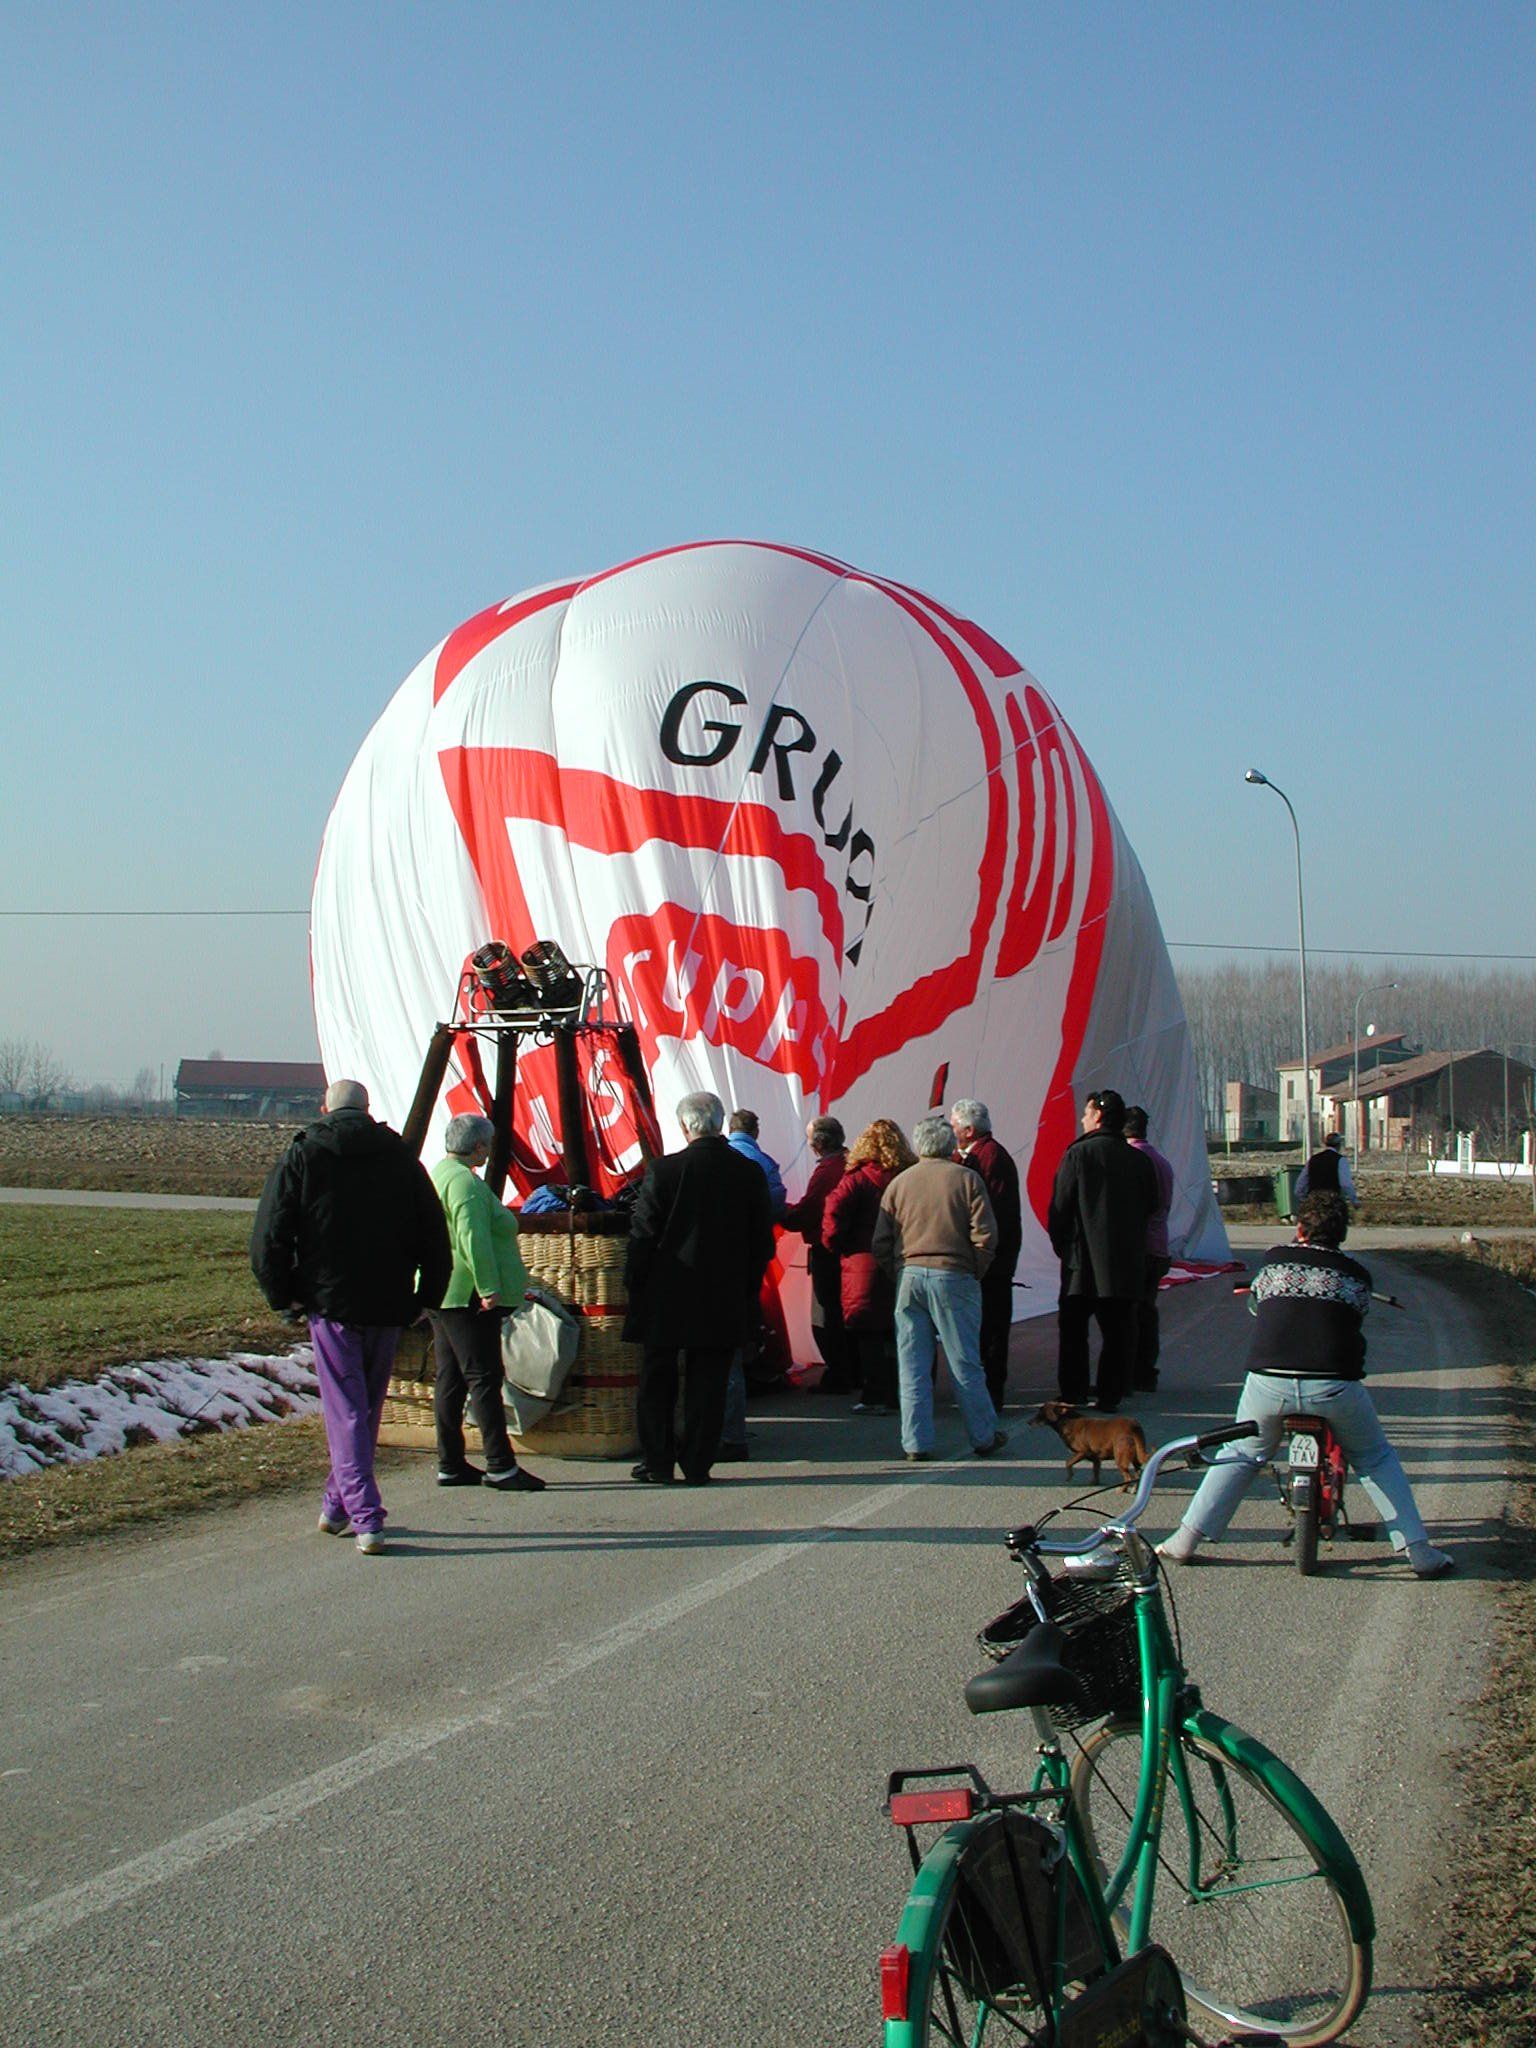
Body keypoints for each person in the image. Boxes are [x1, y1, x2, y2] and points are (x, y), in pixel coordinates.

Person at [1158, 1192, 1453, 1577]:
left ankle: (1185, 1539)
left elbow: (1258, 1304)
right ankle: (1418, 1550)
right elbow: (1355, 1316)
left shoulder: (1276, 1260)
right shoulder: (1356, 1275)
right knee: (1375, 1458)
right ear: (1342, 1234)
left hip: (1269, 1383)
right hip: (1334, 1385)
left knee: (1243, 1453)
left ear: (1299, 1228)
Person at [250, 1078, 451, 1554]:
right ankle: (337, 1505)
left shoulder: (304, 1154)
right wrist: (429, 1294)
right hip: (389, 1298)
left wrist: (283, 1295)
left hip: (331, 1300)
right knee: (364, 1409)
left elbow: (270, 1233)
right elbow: (433, 1230)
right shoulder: (401, 1157)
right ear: (368, 1109)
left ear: (324, 1107)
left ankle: (365, 1515)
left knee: (346, 1411)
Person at [624, 1092, 776, 1485]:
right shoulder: (748, 1173)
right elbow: (762, 1242)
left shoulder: (664, 1171)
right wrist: (747, 1289)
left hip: (666, 1293)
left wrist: (634, 1287)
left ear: (684, 1127)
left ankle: (658, 1460)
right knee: (708, 1384)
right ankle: (697, 1463)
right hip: (722, 1294)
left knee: (658, 1381)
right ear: (720, 1123)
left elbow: (642, 1237)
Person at [873, 1116, 1006, 1461]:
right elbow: (986, 1234)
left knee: (913, 1364)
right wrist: (974, 1268)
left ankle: (915, 1442)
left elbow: (881, 1242)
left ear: (919, 1146)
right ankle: (983, 1435)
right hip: (953, 1274)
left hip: (910, 1275)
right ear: (950, 1146)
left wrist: (898, 1270)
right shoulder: (967, 1179)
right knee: (965, 1362)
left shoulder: (899, 1184)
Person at [427, 1113, 546, 1493]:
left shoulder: (441, 1174)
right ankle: (499, 1463)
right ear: (478, 1147)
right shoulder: (466, 1185)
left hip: (444, 1292)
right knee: (483, 1376)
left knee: (451, 1378)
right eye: (487, 1145)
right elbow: (472, 1237)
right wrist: (488, 1286)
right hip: (468, 1296)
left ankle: (450, 1461)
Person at [1047, 1087, 1158, 1412]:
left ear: (1097, 1115)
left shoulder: (1078, 1155)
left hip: (1082, 1263)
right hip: (1124, 1263)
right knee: (1118, 1333)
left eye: (1086, 1113)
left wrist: (1064, 1248)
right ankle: (1111, 1393)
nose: (1082, 1118)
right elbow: (1152, 1205)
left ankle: (1074, 1391)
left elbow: (1060, 1208)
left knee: (1074, 1332)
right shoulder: (1139, 1160)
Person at [823, 1118, 915, 1415]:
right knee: (900, 1330)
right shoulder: (909, 1176)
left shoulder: (856, 1179)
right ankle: (904, 1391)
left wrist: (836, 1245)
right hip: (903, 1259)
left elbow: (833, 1215)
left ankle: (875, 1393)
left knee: (869, 1333)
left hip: (863, 1262)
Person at [949, 1098, 1022, 1413]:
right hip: (991, 1258)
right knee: (985, 1327)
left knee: (990, 1328)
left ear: (968, 1129)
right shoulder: (980, 1156)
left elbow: (991, 1212)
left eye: (954, 1125)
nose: (951, 1131)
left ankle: (991, 1394)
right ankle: (986, 1392)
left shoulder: (989, 1158)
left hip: (992, 1261)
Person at [782, 1116, 851, 1392]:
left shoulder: (827, 1171)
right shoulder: (848, 1164)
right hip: (845, 1249)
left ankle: (839, 1373)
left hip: (827, 1249)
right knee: (842, 1311)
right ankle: (850, 1369)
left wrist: (782, 1212)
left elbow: (810, 1210)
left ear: (819, 1143)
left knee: (827, 1313)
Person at [1123, 1105, 1175, 1394]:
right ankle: (1146, 1369)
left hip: (1139, 1248)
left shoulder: (1133, 1161)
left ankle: (1134, 1369)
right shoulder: (1161, 1161)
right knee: (1147, 1310)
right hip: (1158, 1246)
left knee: (1132, 1313)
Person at [726, 1109, 787, 1216]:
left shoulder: (712, 1156)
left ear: (730, 1129)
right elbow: (776, 1199)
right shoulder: (765, 1161)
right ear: (756, 1132)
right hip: (755, 1226)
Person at [1296, 1131, 1358, 1210]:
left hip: (1314, 1203)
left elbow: (1300, 1184)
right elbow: (1346, 1184)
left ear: (1325, 1144)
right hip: (1332, 1203)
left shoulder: (1313, 1159)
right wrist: (1354, 1201)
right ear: (1339, 1145)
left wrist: (1304, 1199)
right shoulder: (1341, 1160)